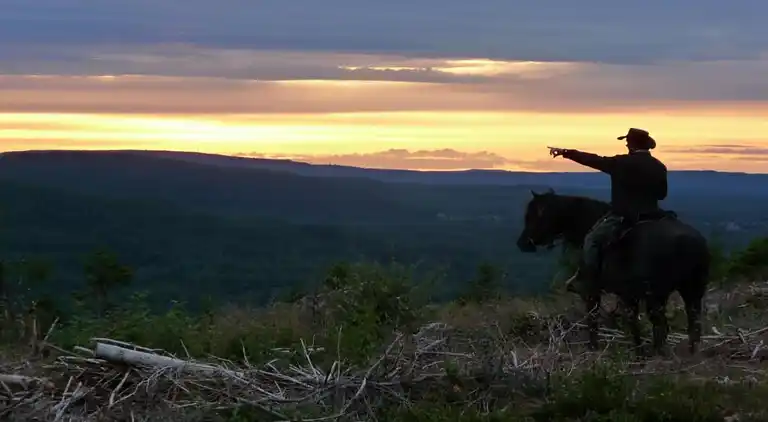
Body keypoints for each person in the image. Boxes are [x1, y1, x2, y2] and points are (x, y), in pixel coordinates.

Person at [548, 127, 668, 288]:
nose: (626, 145)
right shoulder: (659, 166)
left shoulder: (621, 163)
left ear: (631, 145)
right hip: (654, 214)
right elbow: (662, 194)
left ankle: (589, 280)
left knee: (592, 241)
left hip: (625, 215)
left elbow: (593, 160)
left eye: (627, 142)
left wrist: (566, 152)